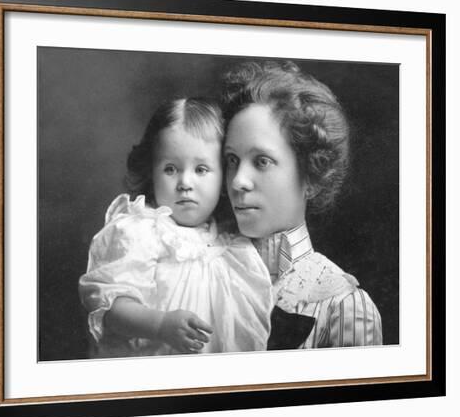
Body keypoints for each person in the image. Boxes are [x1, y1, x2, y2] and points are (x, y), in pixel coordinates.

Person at [79, 98, 273, 357]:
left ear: (224, 176)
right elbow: (109, 308)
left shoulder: (233, 244)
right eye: (170, 169)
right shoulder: (139, 231)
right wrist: (160, 325)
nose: (185, 182)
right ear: (151, 171)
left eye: (201, 169)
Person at [221, 61, 383, 349]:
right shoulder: (199, 269)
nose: (238, 181)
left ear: (312, 176)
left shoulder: (341, 305)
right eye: (232, 160)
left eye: (262, 161)